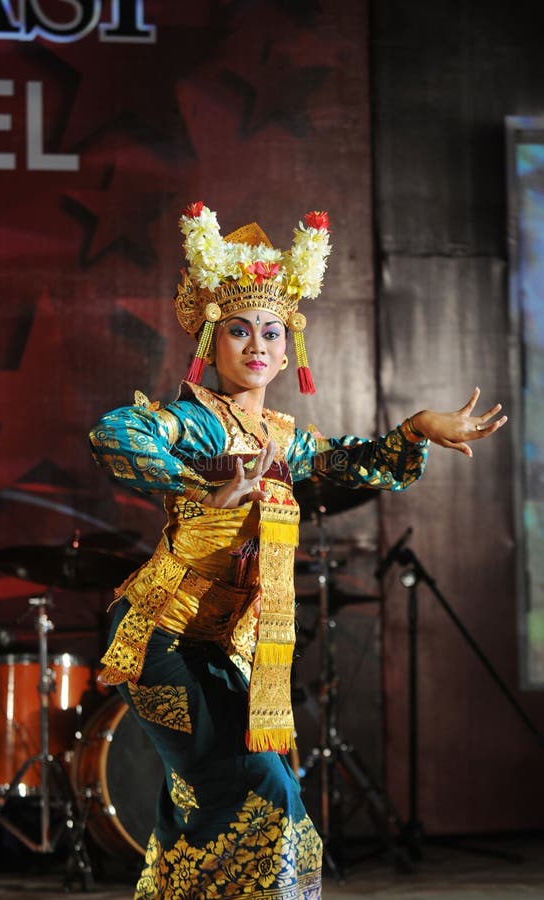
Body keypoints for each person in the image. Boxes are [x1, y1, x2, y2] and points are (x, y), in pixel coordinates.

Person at [89, 203, 506, 899]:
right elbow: (117, 434)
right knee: (262, 794)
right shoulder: (190, 421)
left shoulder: (286, 440)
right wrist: (208, 485)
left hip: (225, 648)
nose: (257, 344)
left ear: (288, 351)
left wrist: (415, 429)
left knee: (200, 817)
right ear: (209, 341)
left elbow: (351, 459)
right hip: (159, 636)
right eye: (239, 330)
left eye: (271, 332)